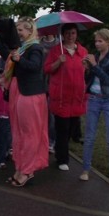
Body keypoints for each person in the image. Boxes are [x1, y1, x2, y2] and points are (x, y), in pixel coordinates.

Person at [0, 17, 48, 187]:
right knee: (19, 132)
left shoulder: (36, 48)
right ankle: (21, 167)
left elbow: (35, 67)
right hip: (18, 92)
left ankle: (27, 170)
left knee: (29, 133)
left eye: (21, 30)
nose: (18, 33)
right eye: (17, 30)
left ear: (30, 30)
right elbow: (11, 57)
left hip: (30, 94)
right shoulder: (23, 48)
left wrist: (19, 59)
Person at [80, 29, 109, 186]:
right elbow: (90, 80)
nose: (97, 44)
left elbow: (108, 81)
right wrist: (87, 68)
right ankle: (85, 170)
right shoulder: (96, 57)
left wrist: (94, 65)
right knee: (89, 136)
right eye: (96, 41)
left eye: (100, 41)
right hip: (93, 99)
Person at [44, 24, 88, 171]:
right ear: (63, 35)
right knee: (62, 128)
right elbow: (47, 69)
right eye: (68, 33)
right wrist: (58, 62)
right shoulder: (56, 51)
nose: (71, 36)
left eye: (73, 33)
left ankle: (59, 148)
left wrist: (88, 67)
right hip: (61, 97)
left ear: (77, 34)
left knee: (71, 128)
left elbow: (87, 71)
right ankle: (62, 158)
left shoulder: (82, 51)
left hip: (76, 97)